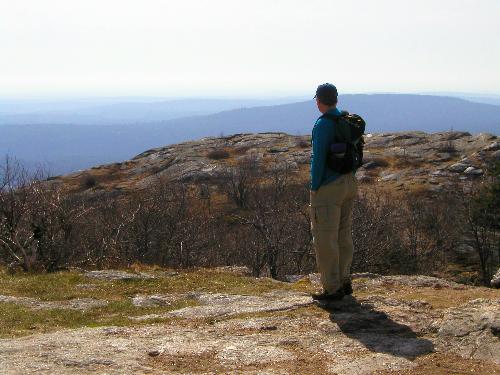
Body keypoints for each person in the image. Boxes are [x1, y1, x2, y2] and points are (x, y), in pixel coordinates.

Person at [310, 83, 358, 301]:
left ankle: (332, 288)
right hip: (349, 183)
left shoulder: (323, 125)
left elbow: (318, 158)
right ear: (336, 99)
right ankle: (345, 281)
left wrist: (315, 186)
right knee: (343, 234)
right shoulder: (346, 120)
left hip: (329, 187)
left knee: (325, 239)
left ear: (319, 100)